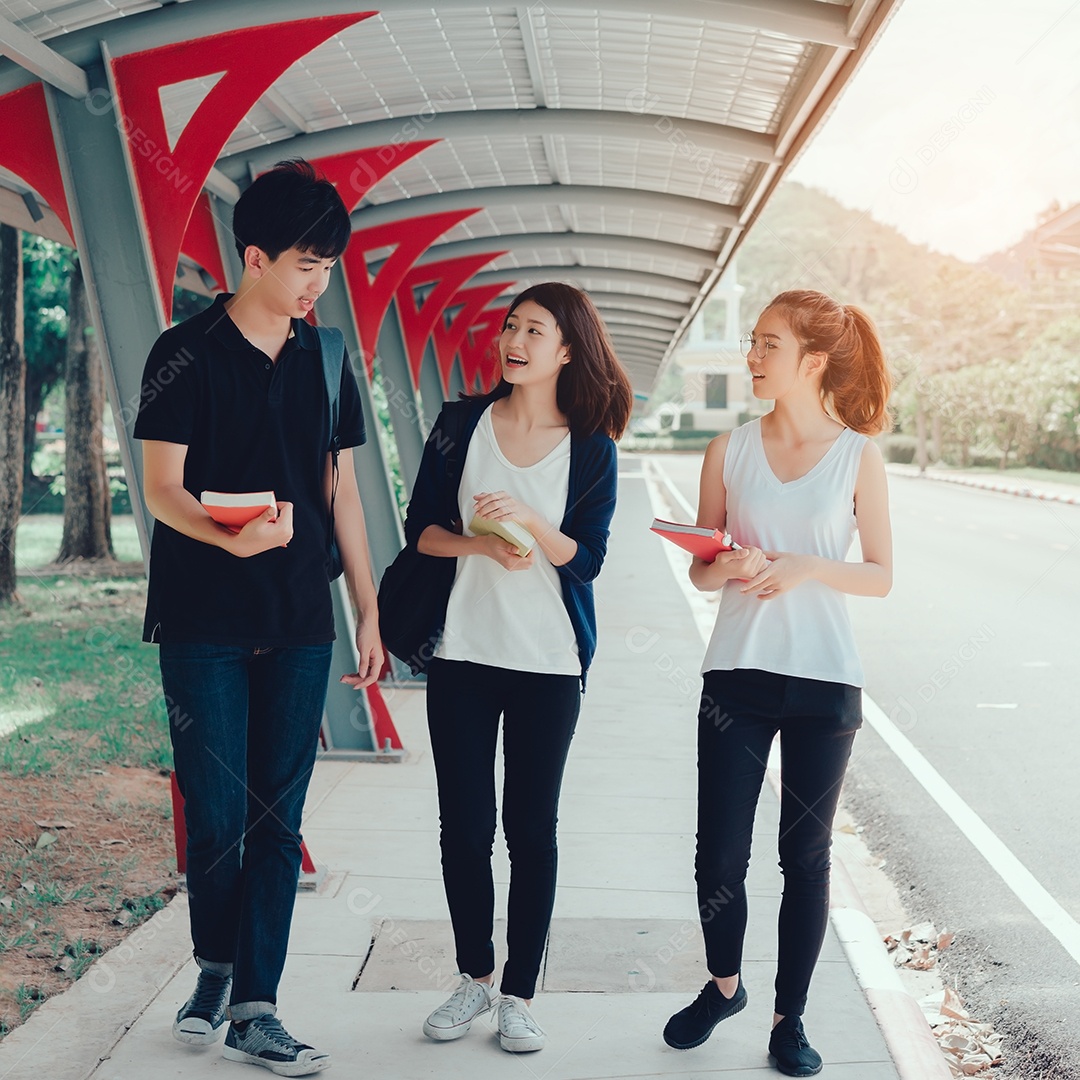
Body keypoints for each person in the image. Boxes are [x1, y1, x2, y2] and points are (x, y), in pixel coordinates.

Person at [134, 159, 381, 1076]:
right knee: (218, 808)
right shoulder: (181, 352)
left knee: (280, 813)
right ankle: (216, 965)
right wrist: (223, 537)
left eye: (330, 268)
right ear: (254, 257)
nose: (320, 284)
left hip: (298, 619)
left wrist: (366, 605)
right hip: (203, 615)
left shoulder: (327, 357)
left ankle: (256, 1005)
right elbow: (162, 489)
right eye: (308, 265)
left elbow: (341, 495)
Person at [662, 290, 893, 1077]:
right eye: (753, 343)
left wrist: (806, 569)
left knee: (806, 857)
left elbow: (881, 576)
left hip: (825, 682)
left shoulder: (858, 455)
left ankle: (788, 1021)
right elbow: (701, 569)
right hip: (738, 674)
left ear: (813, 362)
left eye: (767, 345)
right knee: (719, 858)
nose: (752, 358)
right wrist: (721, 562)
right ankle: (724, 984)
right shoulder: (728, 449)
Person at [402, 282, 632, 1053]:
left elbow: (588, 560)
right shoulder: (461, 424)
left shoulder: (592, 446)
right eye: (510, 326)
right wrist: (480, 544)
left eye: (535, 330)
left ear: (567, 350)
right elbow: (421, 532)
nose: (515, 339)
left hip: (548, 665)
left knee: (531, 829)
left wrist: (532, 519)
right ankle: (473, 978)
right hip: (464, 653)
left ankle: (519, 995)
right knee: (463, 829)